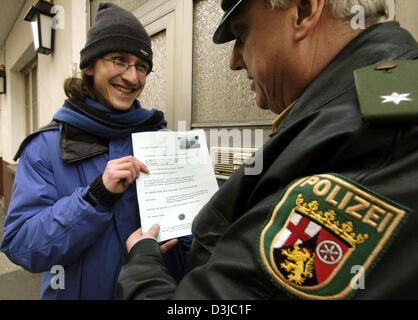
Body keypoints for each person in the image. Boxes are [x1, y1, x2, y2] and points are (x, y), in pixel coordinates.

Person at [116, 0, 418, 300]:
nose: (234, 61)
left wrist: (142, 262)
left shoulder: (374, 140)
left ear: (302, 10)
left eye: (242, 35)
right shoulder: (359, 111)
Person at [0, 3, 191, 300]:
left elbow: (187, 233)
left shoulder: (161, 140)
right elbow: (22, 246)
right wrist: (95, 197)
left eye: (141, 67)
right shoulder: (45, 147)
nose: (132, 77)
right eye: (119, 60)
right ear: (89, 66)